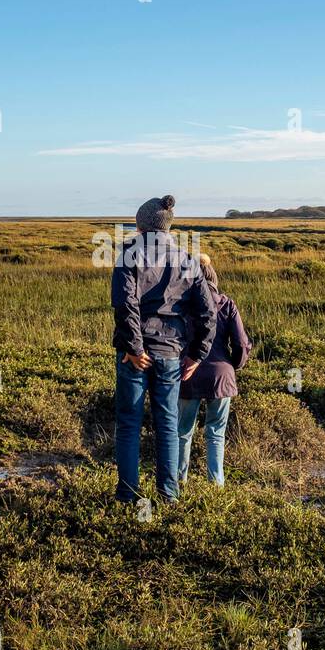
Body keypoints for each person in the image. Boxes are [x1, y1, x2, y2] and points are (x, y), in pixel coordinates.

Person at [111, 195, 217, 505]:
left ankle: (128, 497)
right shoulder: (187, 259)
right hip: (171, 352)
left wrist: (133, 347)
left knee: (129, 423)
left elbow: (125, 303)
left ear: (141, 225)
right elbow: (207, 312)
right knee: (168, 424)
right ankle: (168, 495)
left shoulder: (128, 254)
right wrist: (197, 354)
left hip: (135, 354)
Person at [177, 254, 250, 487]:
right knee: (216, 434)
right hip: (221, 377)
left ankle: (178, 483)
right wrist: (233, 366)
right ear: (212, 276)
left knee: (182, 432)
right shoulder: (226, 303)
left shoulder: (179, 304)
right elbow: (240, 343)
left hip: (187, 373)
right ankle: (216, 486)